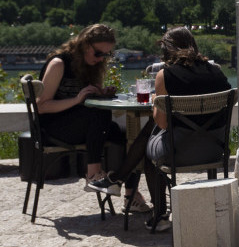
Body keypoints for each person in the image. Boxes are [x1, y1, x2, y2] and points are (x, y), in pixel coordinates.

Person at [87, 26, 231, 231]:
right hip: (215, 150)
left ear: (167, 50)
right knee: (152, 137)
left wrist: (157, 102)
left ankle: (158, 213)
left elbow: (162, 123)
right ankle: (117, 180)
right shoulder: (216, 72)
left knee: (149, 147)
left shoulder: (165, 75)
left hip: (178, 153)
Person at [37, 24, 153, 214]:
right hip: (54, 127)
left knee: (132, 137)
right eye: (98, 53)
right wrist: (76, 99)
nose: (100, 59)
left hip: (84, 124)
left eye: (106, 55)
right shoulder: (59, 64)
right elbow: (42, 106)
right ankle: (93, 174)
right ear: (84, 44)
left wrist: (100, 94)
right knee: (99, 113)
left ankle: (131, 195)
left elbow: (88, 101)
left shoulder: (93, 65)